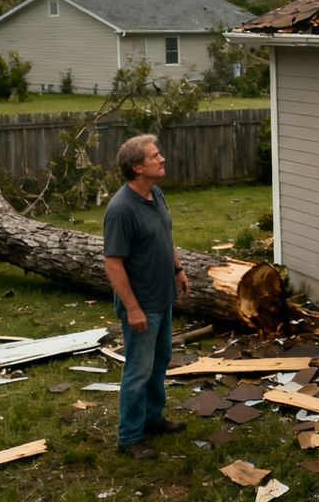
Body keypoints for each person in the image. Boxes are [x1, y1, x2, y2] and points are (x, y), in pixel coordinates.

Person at [103, 134, 190, 459]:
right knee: (138, 372)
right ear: (137, 167)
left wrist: (178, 270)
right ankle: (129, 438)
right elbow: (113, 264)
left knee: (160, 363)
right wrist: (133, 308)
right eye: (155, 156)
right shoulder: (121, 210)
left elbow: (165, 235)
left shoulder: (156, 193)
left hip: (162, 297)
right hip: (141, 307)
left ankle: (152, 419)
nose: (162, 159)